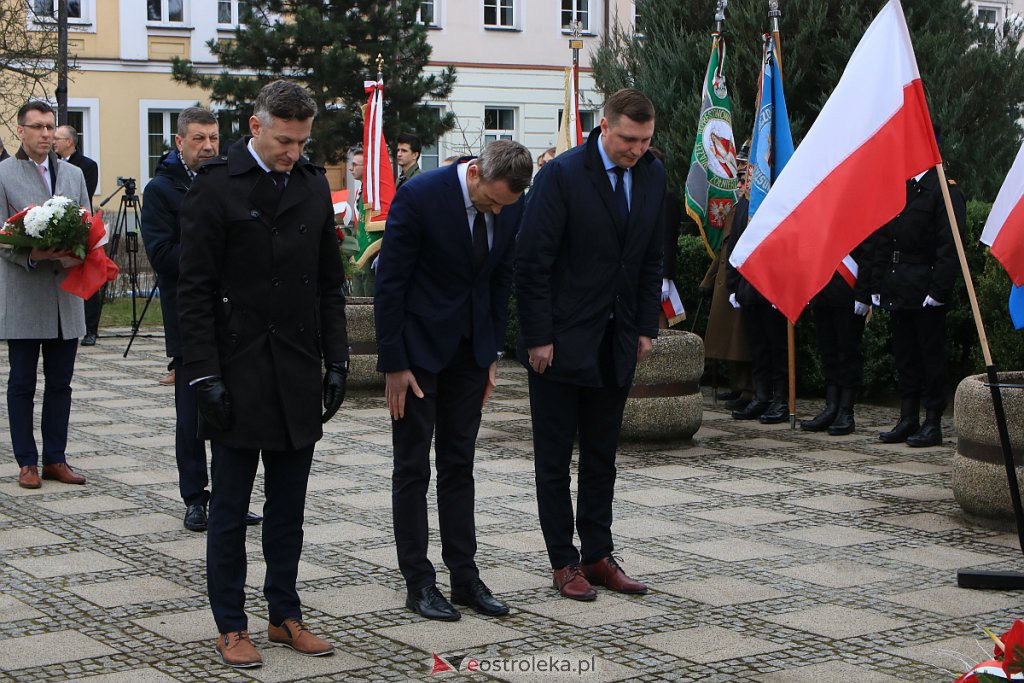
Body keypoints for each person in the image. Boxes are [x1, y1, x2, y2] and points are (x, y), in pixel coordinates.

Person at [177, 81, 348, 668]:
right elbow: (193, 291)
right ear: (255, 127)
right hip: (235, 366)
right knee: (228, 507)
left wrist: (339, 360)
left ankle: (284, 613)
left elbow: (329, 284)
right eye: (283, 140)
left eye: (301, 142)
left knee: (290, 506)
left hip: (296, 366)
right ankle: (231, 624)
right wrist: (202, 375)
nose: (292, 152)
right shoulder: (215, 186)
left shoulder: (309, 185)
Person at [516, 89, 664, 601]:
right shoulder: (562, 175)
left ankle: (598, 554)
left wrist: (646, 326)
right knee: (555, 459)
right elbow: (532, 262)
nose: (636, 149)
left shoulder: (652, 173)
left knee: (602, 456)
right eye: (628, 138)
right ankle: (564, 561)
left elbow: (650, 259)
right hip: (560, 341)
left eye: (645, 140)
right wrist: (537, 336)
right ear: (603, 127)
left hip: (617, 339)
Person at [376, 140, 532, 621]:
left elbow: (500, 277)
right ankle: (419, 583)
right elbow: (391, 282)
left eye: (505, 206)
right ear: (476, 174)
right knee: (413, 467)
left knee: (458, 464)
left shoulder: (510, 201)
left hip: (470, 353)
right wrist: (394, 363)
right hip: (418, 355)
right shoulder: (421, 195)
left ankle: (464, 578)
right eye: (491, 202)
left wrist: (490, 355)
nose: (496, 211)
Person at [141, 107, 262, 532]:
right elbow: (160, 254)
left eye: (213, 137)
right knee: (193, 414)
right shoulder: (161, 190)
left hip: (235, 317)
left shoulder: (231, 180)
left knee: (235, 409)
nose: (208, 146)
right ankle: (195, 497)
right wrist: (214, 257)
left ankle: (229, 497)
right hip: (189, 317)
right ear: (179, 143)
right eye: (198, 139)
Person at [0, 101, 91, 489]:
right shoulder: (3, 173)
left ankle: (56, 457)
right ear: (21, 131)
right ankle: (27, 462)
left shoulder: (73, 174)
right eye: (36, 127)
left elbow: (88, 220)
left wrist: (80, 250)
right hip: (24, 293)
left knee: (61, 383)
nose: (44, 134)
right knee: (22, 382)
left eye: (50, 127)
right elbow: (1, 235)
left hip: (65, 296)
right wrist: (31, 254)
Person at [870, 164, 965, 447]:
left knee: (930, 356)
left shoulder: (945, 189)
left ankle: (933, 421)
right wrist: (877, 283)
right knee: (905, 355)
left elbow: (950, 245)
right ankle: (907, 417)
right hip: (899, 284)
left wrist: (939, 289)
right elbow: (885, 238)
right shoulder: (903, 185)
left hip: (926, 286)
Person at [698, 145, 753, 409]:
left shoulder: (753, 206)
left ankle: (750, 390)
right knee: (731, 340)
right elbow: (724, 250)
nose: (741, 178)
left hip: (742, 281)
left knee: (742, 340)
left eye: (744, 169)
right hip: (728, 280)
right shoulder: (738, 206)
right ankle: (738, 386)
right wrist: (707, 281)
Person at [725, 196, 788, 424]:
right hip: (749, 287)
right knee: (758, 347)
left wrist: (785, 286)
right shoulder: (746, 203)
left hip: (774, 287)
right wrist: (734, 285)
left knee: (777, 347)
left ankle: (781, 399)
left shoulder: (779, 195)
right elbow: (735, 244)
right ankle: (762, 396)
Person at [800, 240, 873, 435]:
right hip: (822, 290)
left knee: (848, 353)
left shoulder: (858, 214)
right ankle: (831, 406)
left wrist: (864, 294)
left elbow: (868, 254)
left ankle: (846, 411)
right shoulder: (819, 212)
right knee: (828, 352)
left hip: (848, 293)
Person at [54, 125, 102, 346]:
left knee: (87, 277)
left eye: (57, 138)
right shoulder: (52, 164)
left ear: (70, 142)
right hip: (55, 228)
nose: (53, 141)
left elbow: (84, 195)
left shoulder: (87, 166)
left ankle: (91, 328)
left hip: (78, 226)